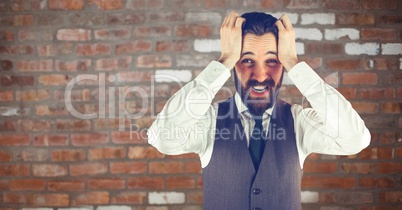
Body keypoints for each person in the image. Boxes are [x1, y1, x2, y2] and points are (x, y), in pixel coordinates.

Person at [147, 11, 370, 210]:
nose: (261, 75)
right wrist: (224, 60)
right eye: (247, 60)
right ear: (234, 64)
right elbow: (164, 138)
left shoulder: (299, 122)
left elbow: (355, 139)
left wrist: (294, 62)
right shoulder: (210, 121)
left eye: (272, 60)